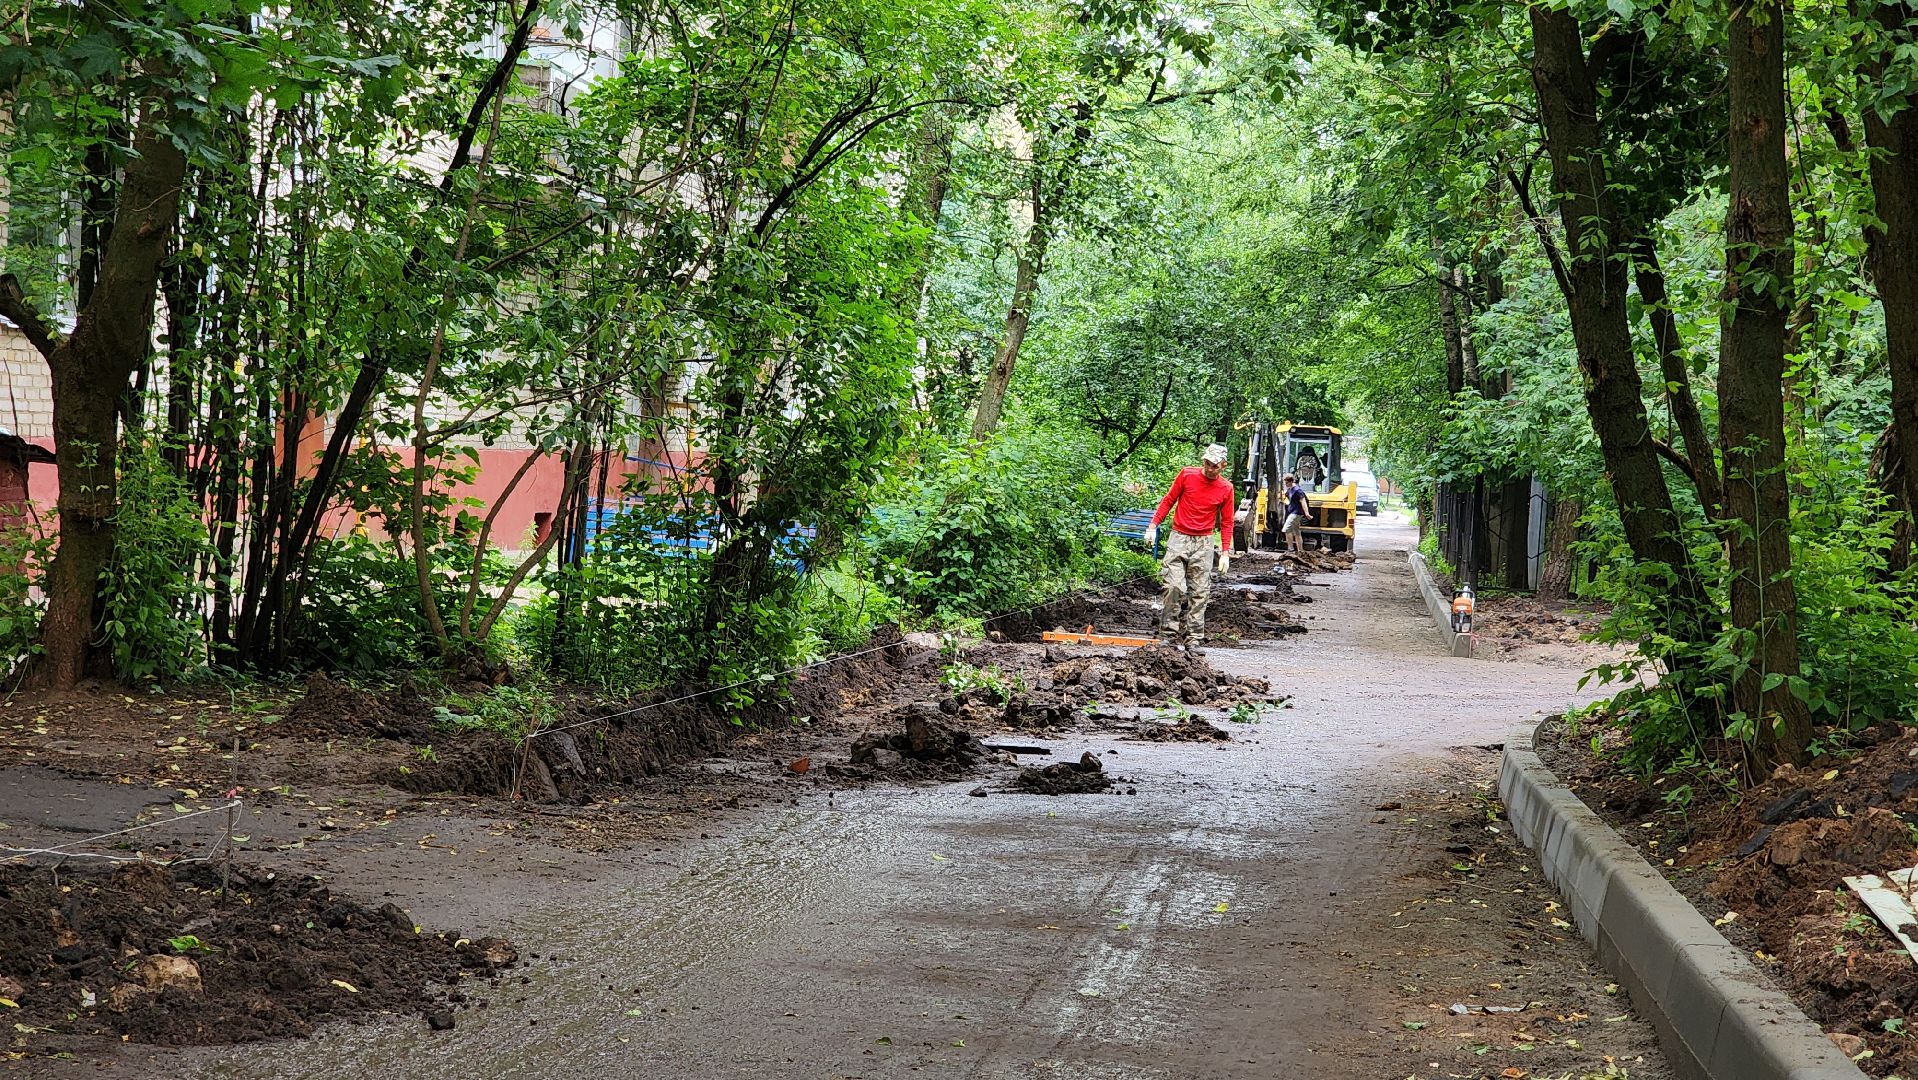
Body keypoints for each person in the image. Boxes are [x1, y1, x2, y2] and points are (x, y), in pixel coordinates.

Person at [1143, 444, 1234, 657]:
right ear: (1203, 461)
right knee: (1173, 586)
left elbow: (1228, 522)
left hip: (1204, 541)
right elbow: (1168, 501)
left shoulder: (1226, 488)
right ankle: (1167, 634)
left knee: (1200, 592)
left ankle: (1194, 638)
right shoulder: (1187, 475)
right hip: (1179, 537)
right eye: (1207, 463)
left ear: (1223, 466)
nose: (1210, 468)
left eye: (1215, 466)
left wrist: (1225, 552)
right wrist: (1153, 526)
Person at [1281, 472, 1311, 554]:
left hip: (1296, 513)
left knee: (1286, 529)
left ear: (1291, 481)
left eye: (1286, 482)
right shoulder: (1290, 490)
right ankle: (1301, 551)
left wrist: (1307, 513)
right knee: (1297, 532)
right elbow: (1290, 500)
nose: (1285, 484)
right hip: (1293, 512)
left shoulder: (1297, 490)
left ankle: (1290, 549)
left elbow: (1303, 501)